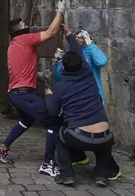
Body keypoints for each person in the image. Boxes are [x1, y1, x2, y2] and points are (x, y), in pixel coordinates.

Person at [0, 0, 67, 177]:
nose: (27, 26)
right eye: (24, 24)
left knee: (26, 121)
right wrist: (60, 12)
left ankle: (2, 149)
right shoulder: (25, 39)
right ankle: (47, 164)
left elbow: (22, 68)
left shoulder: (13, 45)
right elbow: (51, 32)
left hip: (16, 93)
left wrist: (38, 77)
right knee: (53, 122)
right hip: (24, 95)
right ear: (19, 30)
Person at [45, 50, 122, 187]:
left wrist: (49, 95)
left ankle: (66, 174)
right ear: (83, 66)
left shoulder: (60, 87)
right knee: (103, 145)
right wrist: (69, 35)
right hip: (105, 137)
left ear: (63, 67)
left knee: (60, 134)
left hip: (79, 138)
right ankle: (101, 175)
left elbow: (53, 111)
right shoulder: (90, 79)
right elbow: (81, 56)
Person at [53, 24, 108, 106]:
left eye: (81, 37)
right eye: (76, 37)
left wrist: (90, 44)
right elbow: (59, 77)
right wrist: (58, 63)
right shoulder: (72, 54)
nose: (77, 38)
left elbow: (102, 61)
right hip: (77, 96)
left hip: (93, 95)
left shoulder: (91, 51)